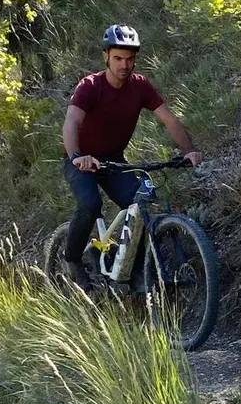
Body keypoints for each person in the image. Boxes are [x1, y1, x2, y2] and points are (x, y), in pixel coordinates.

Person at [61, 24, 202, 289]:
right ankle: (73, 259)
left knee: (140, 205)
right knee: (90, 204)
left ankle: (132, 270)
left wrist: (188, 151)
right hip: (81, 160)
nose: (124, 65)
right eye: (118, 58)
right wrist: (77, 156)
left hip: (113, 159)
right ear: (106, 57)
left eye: (129, 59)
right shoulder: (90, 86)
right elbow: (71, 122)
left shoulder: (140, 86)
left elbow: (169, 119)